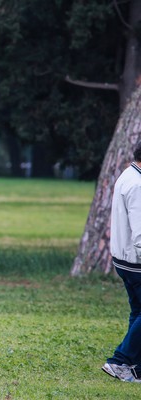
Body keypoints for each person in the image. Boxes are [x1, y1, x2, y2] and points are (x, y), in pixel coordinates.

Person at [102, 142, 141, 383]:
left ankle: (135, 366)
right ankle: (119, 360)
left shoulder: (127, 174)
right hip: (136, 261)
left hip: (123, 259)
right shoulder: (138, 185)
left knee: (138, 311)